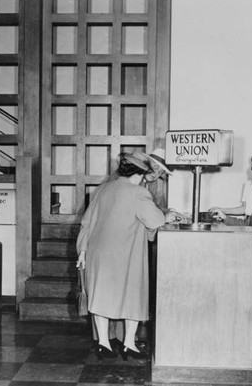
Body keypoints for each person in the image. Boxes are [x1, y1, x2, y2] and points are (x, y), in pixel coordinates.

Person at [76, 153, 174, 361]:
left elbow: (87, 221)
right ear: (139, 174)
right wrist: (167, 216)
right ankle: (129, 344)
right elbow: (155, 221)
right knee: (133, 297)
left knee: (100, 297)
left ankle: (103, 344)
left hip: (98, 253)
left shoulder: (103, 189)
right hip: (126, 255)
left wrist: (82, 251)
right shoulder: (138, 193)